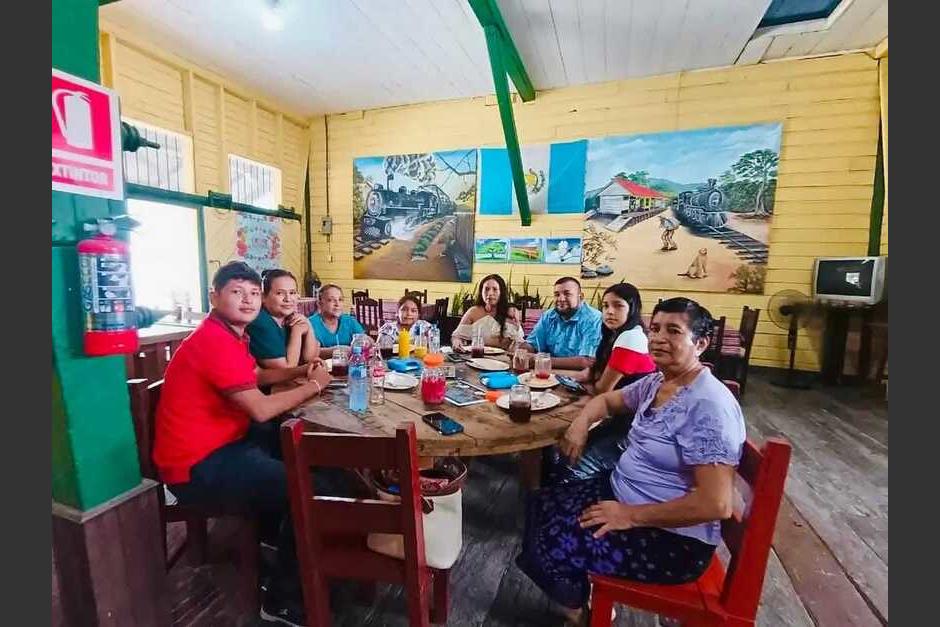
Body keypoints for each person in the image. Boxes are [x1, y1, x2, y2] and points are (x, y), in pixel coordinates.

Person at [516, 297, 746, 623]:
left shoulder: (708, 406)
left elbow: (716, 504)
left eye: (674, 331)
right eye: (654, 328)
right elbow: (607, 400)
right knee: (538, 502)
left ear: (701, 344)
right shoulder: (658, 382)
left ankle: (579, 614)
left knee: (546, 541)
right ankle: (578, 595)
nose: (658, 338)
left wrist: (631, 515)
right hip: (621, 491)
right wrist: (580, 426)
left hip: (669, 539)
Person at [153, 261, 336, 625]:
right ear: (214, 296)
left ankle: (281, 538)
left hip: (224, 443)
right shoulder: (213, 342)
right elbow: (261, 408)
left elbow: (257, 375)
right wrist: (314, 386)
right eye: (237, 292)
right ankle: (282, 600)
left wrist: (303, 370)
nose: (248, 300)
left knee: (304, 451)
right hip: (196, 467)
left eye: (253, 293)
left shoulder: (232, 334)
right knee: (306, 486)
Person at [543, 283, 658, 485]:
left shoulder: (630, 338)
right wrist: (551, 374)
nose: (609, 312)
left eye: (618, 306)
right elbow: (590, 373)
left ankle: (570, 503)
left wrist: (582, 384)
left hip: (628, 433)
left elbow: (602, 390)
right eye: (605, 306)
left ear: (633, 308)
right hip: (617, 421)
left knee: (566, 463)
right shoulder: (619, 335)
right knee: (554, 450)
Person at [521, 277, 602, 370]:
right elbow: (532, 344)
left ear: (581, 296)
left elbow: (587, 361)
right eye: (557, 294)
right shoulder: (549, 316)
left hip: (578, 377)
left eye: (567, 294)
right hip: (547, 372)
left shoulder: (593, 319)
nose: (561, 299)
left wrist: (541, 360)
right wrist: (521, 353)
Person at [247, 268, 319, 369]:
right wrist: (297, 332)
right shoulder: (260, 322)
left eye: (292, 293)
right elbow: (286, 369)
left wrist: (308, 325)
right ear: (263, 297)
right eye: (280, 293)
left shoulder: (289, 318)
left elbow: (310, 358)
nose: (288, 299)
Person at [452, 274, 525, 351]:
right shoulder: (473, 312)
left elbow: (519, 341)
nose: (490, 293)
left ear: (501, 292)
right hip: (477, 356)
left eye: (495, 289)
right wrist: (457, 341)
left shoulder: (511, 312)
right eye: (486, 289)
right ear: (481, 292)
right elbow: (456, 335)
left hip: (503, 359)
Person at [308, 284, 365, 359]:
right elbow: (309, 353)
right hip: (321, 368)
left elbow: (365, 339)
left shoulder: (349, 320)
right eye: (331, 300)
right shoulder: (310, 324)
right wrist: (336, 351)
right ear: (319, 304)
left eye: (340, 300)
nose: (337, 304)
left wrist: (366, 341)